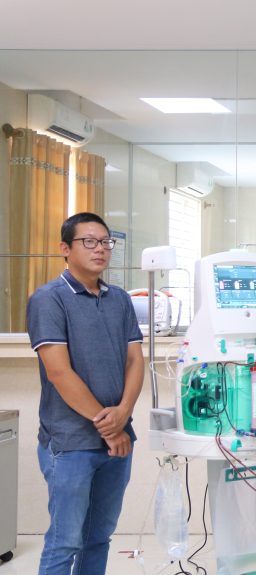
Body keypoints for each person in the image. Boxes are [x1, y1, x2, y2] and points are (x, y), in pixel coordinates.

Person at [26, 212, 144, 575]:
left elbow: (134, 360)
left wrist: (123, 413)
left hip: (118, 441)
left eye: (106, 242)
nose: (100, 249)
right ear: (65, 248)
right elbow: (59, 373)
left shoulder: (119, 299)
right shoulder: (49, 299)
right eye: (89, 242)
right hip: (72, 442)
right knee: (65, 541)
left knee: (98, 537)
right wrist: (109, 426)